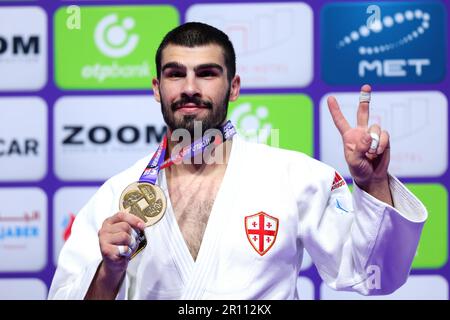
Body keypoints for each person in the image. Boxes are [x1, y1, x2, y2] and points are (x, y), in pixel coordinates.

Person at [48, 22, 427, 300]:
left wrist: (374, 183)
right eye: (175, 74)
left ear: (234, 87)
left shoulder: (293, 176)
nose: (190, 87)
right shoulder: (117, 194)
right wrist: (108, 272)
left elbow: (373, 276)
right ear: (157, 88)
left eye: (207, 74)